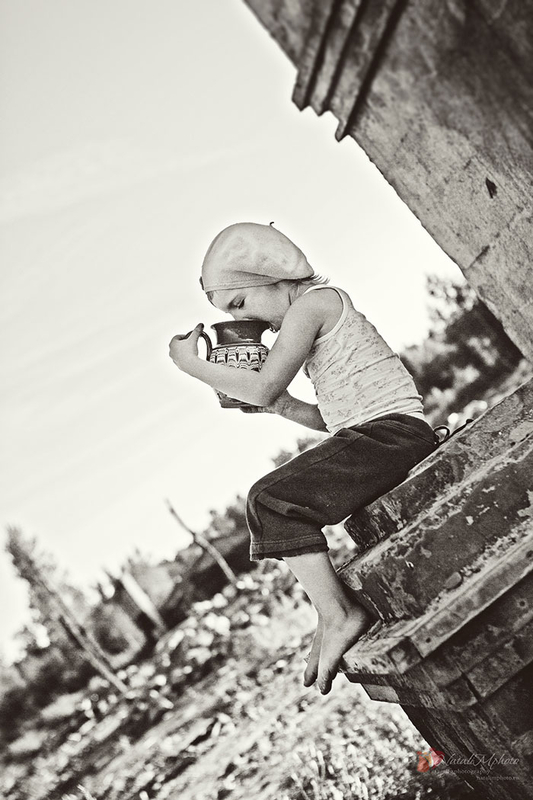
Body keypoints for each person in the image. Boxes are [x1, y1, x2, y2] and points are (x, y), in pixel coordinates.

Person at [169, 222, 438, 695]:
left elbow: (263, 384)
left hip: (392, 436)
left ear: (272, 276)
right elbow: (333, 418)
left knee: (270, 500)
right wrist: (284, 407)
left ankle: (339, 613)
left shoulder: (314, 304)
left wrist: (193, 365)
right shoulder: (314, 317)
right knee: (273, 501)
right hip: (385, 435)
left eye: (239, 303)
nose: (244, 320)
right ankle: (330, 613)